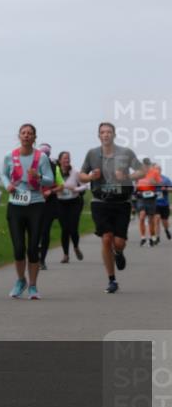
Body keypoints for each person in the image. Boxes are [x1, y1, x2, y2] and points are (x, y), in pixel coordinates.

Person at [78, 122, 146, 293]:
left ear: (114, 135)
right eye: (103, 132)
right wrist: (91, 176)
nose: (106, 135)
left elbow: (142, 171)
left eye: (109, 132)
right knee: (106, 238)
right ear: (98, 136)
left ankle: (119, 252)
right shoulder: (92, 154)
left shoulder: (126, 152)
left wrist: (127, 176)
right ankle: (112, 280)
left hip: (121, 203)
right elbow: (81, 176)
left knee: (119, 242)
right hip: (100, 202)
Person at [0, 124, 55, 300]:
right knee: (18, 247)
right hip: (15, 204)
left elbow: (50, 180)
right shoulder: (10, 156)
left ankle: (32, 285)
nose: (26, 136)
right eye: (23, 133)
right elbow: (2, 174)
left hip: (36, 204)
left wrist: (38, 177)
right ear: (19, 136)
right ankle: (20, 280)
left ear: (34, 138)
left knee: (32, 248)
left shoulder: (41, 158)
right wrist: (7, 185)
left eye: (30, 134)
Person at [55, 150, 88, 263]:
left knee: (73, 228)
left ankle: (76, 247)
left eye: (68, 158)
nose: (67, 160)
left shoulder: (75, 172)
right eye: (64, 158)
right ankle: (65, 255)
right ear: (60, 161)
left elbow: (85, 186)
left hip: (74, 202)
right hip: (60, 203)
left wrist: (75, 189)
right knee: (64, 229)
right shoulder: (55, 172)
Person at [35, 143, 63, 269]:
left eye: (47, 154)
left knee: (45, 231)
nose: (44, 156)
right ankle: (34, 255)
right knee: (35, 231)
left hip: (49, 202)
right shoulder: (32, 165)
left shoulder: (54, 167)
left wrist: (50, 191)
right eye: (42, 154)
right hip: (34, 201)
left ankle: (42, 260)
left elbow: (61, 185)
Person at [135, 158, 163, 247]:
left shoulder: (155, 172)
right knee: (142, 216)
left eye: (147, 164)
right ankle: (143, 237)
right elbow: (135, 182)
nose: (146, 166)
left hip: (151, 198)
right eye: (144, 164)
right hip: (141, 198)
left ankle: (152, 236)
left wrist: (154, 182)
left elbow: (160, 184)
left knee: (151, 220)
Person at [157, 165, 172, 241]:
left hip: (164, 203)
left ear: (160, 170)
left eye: (158, 169)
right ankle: (157, 237)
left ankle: (166, 230)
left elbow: (171, 189)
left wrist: (165, 189)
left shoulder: (165, 179)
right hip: (154, 203)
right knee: (157, 219)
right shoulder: (150, 179)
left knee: (164, 221)